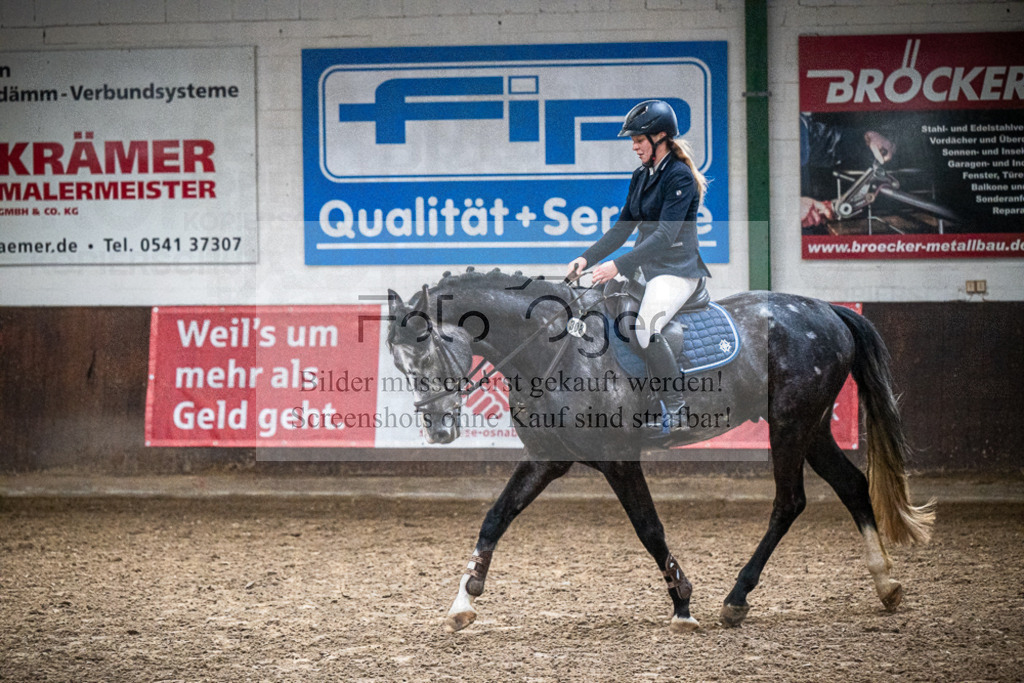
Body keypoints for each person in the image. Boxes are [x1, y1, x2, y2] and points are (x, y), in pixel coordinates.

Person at [566, 99, 709, 434]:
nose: (634, 146)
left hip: (677, 270)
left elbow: (664, 235)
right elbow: (621, 228)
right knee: (598, 310)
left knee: (645, 329)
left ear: (660, 137)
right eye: (633, 140)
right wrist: (586, 258)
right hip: (645, 269)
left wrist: (617, 266)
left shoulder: (680, 176)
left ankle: (677, 409)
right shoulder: (641, 175)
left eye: (639, 140)